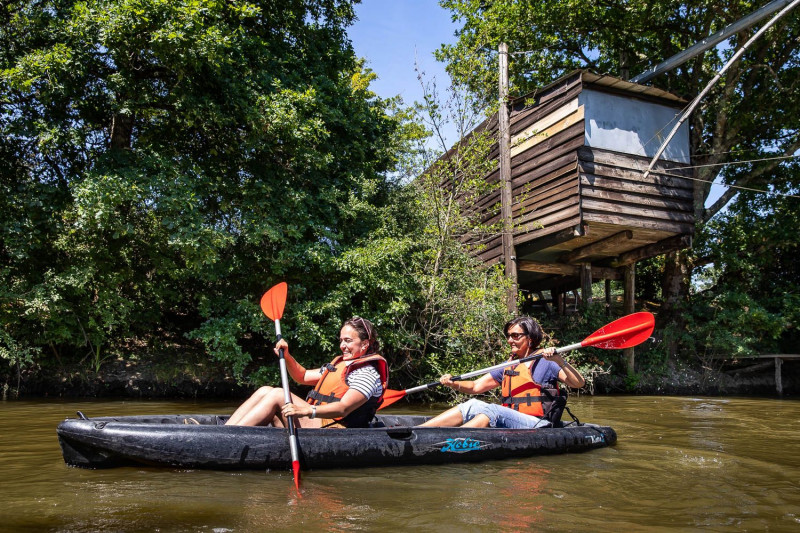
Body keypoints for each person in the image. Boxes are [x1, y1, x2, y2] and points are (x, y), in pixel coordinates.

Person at [420, 316, 585, 429]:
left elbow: (579, 383)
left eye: (515, 336)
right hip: (514, 419)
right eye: (508, 336)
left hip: (538, 423)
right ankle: (418, 431)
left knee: (493, 409)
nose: (509, 340)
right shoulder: (511, 365)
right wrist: (452, 383)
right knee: (471, 405)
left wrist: (559, 360)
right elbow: (476, 386)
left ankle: (451, 441)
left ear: (530, 339)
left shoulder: (547, 361)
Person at [225, 316, 387, 428]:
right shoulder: (341, 365)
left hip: (336, 428)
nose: (342, 346)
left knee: (278, 395)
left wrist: (306, 410)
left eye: (348, 341)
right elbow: (302, 376)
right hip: (320, 422)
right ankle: (225, 431)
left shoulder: (367, 373)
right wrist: (287, 356)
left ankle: (227, 438)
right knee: (265, 390)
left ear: (365, 344)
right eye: (341, 340)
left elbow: (343, 408)